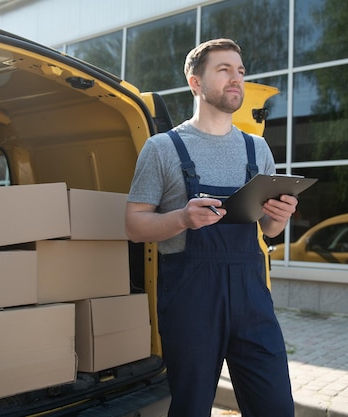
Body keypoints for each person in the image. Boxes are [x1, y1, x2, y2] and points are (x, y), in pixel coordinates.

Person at [125, 38, 296, 417]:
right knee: (191, 408)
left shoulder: (258, 149)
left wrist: (279, 217)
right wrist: (183, 218)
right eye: (224, 70)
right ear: (195, 82)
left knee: (276, 407)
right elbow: (134, 226)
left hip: (252, 299)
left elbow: (268, 230)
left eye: (240, 71)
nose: (236, 79)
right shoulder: (162, 149)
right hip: (190, 300)